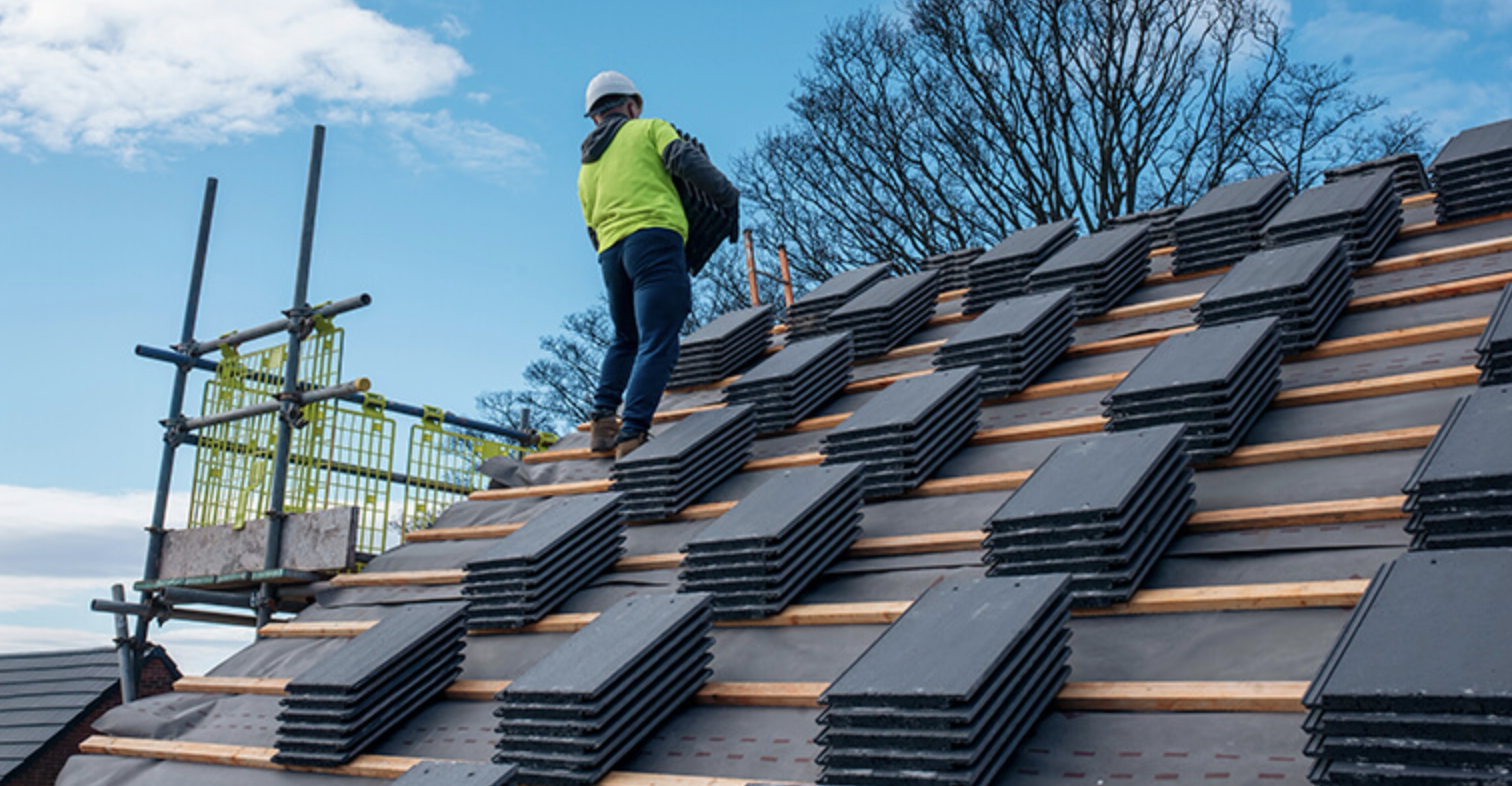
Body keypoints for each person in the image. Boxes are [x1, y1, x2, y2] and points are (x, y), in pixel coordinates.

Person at [578, 71, 739, 459]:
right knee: (658, 338)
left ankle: (602, 423)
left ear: (596, 117)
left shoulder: (585, 169)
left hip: (611, 254)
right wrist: (728, 195)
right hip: (655, 239)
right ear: (631, 105)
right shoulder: (650, 128)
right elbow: (683, 158)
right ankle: (632, 432)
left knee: (625, 338)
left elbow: (592, 229)